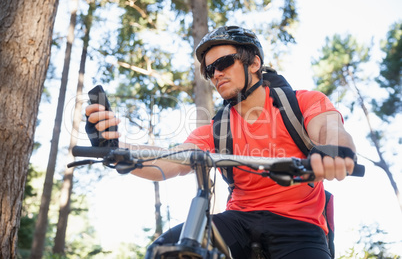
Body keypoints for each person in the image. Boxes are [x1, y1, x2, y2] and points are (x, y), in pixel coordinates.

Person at [85, 26, 357, 259]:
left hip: (300, 224)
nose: (215, 74)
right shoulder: (217, 130)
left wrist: (332, 150)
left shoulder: (301, 102)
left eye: (224, 63)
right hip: (239, 221)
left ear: (253, 63)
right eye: (209, 70)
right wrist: (113, 148)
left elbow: (329, 128)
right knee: (166, 250)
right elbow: (170, 161)